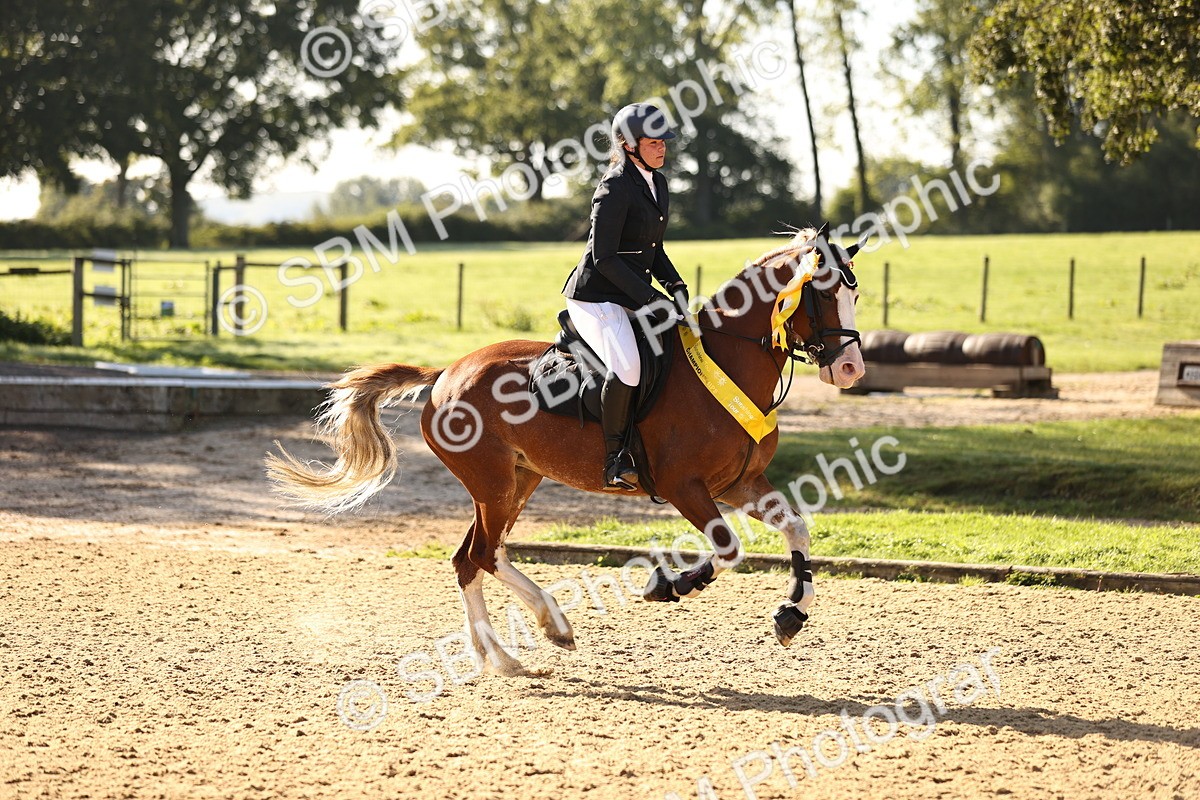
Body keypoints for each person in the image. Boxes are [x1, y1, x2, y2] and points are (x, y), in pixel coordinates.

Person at [561, 103, 689, 490]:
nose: (661, 148)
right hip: (595, 297)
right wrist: (651, 299)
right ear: (627, 144)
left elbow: (653, 249)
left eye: (663, 142)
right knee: (629, 367)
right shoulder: (614, 187)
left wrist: (676, 286)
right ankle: (615, 459)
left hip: (629, 294)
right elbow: (604, 258)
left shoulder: (658, 184)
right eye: (653, 143)